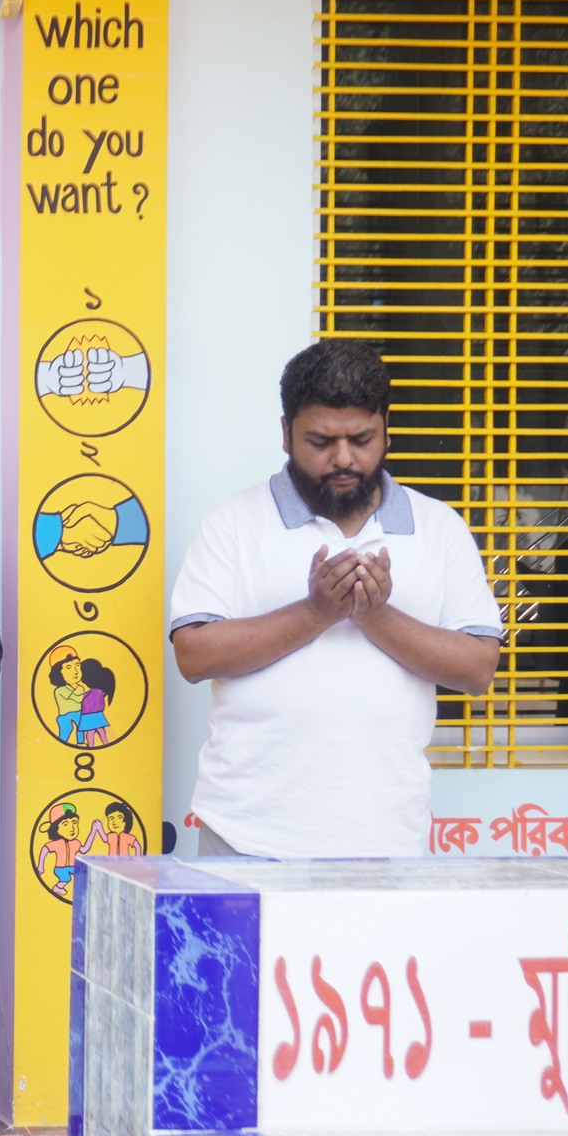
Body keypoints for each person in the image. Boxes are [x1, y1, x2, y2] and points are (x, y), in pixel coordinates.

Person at [170, 338, 502, 858]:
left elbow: (478, 669)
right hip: (244, 836)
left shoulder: (439, 528)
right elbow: (193, 656)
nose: (343, 458)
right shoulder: (232, 522)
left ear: (386, 429)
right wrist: (315, 612)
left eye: (362, 438)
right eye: (321, 441)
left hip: (389, 841)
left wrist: (377, 617)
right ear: (286, 433)